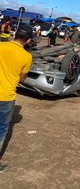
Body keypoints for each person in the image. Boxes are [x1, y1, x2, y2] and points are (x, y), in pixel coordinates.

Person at [0, 24, 33, 172]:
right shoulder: (27, 56)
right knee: (1, 129)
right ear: (28, 40)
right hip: (6, 96)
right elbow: (22, 79)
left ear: (14, 34)